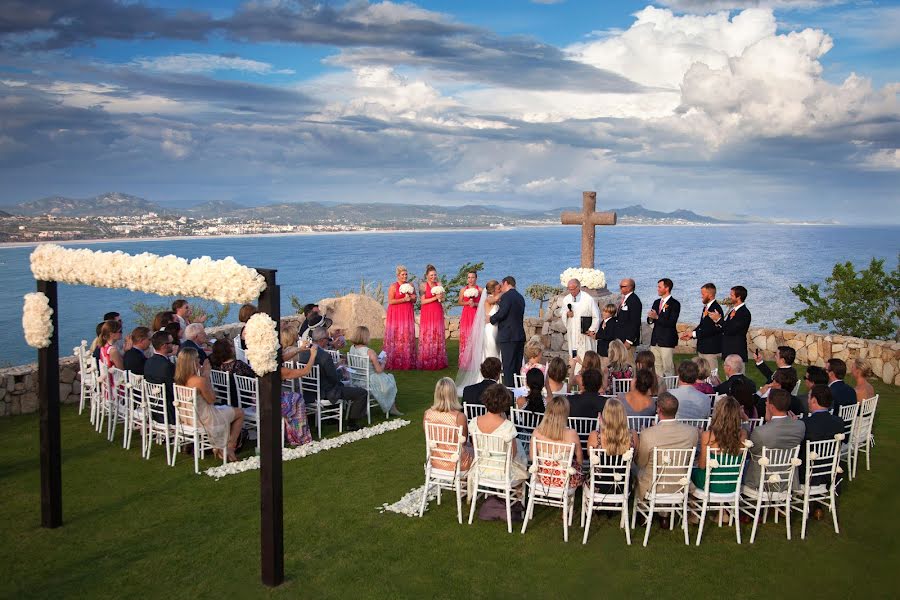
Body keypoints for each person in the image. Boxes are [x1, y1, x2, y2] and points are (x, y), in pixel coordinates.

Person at [174, 347, 243, 462]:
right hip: (205, 419)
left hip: (188, 418)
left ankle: (226, 448)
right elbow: (212, 399)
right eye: (197, 359)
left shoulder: (179, 379)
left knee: (227, 409)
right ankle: (230, 447)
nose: (199, 360)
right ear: (193, 362)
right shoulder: (199, 380)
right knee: (240, 412)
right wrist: (206, 376)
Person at [302, 328, 369, 430]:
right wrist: (341, 372)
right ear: (322, 340)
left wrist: (336, 366)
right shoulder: (325, 356)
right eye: (328, 339)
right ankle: (352, 423)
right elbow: (334, 379)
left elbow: (321, 371)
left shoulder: (304, 353)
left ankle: (332, 416)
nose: (329, 341)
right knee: (362, 392)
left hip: (309, 391)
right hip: (326, 392)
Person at [635, 392, 699, 498]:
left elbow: (641, 462)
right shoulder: (692, 432)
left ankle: (643, 506)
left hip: (653, 486)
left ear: (658, 410)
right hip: (680, 485)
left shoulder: (647, 434)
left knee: (636, 469)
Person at [744, 389, 806, 491]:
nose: (766, 404)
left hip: (761, 481)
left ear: (772, 407)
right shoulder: (800, 426)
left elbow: (751, 452)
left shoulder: (760, 431)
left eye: (767, 402)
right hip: (787, 479)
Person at [468, 383, 528, 484]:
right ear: (504, 404)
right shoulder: (508, 426)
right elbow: (512, 454)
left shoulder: (474, 421)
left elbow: (476, 447)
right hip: (502, 472)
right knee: (520, 452)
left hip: (481, 468)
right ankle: (517, 493)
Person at [691, 396, 747, 493]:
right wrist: (745, 419)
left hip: (709, 485)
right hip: (732, 485)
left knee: (690, 473)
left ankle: (691, 502)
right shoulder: (743, 434)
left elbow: (702, 465)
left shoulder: (708, 435)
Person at [586, 398, 639, 493]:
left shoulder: (595, 436)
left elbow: (591, 458)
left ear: (604, 415)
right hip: (623, 486)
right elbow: (634, 458)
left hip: (598, 485)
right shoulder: (632, 435)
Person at [531, 395, 584, 489]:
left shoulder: (537, 432)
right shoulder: (572, 434)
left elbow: (532, 458)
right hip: (564, 481)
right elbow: (580, 460)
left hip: (542, 478)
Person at [348, 325, 402, 416]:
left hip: (357, 379)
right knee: (390, 380)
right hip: (370, 380)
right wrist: (384, 361)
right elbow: (379, 370)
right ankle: (392, 408)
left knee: (387, 379)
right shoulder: (369, 351)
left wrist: (376, 360)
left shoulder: (352, 348)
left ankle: (390, 407)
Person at [424, 378, 473, 471]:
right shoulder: (459, 416)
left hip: (435, 461)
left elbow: (429, 437)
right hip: (456, 462)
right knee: (477, 453)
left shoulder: (427, 414)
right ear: (453, 394)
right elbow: (464, 441)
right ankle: (467, 482)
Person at [801, 385, 845, 483]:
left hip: (808, 474)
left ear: (814, 400)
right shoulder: (839, 422)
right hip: (830, 471)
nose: (807, 401)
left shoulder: (804, 424)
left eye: (809, 397)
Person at [490, 276, 526, 387]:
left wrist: (491, 319)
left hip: (508, 336)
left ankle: (509, 391)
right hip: (519, 335)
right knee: (517, 366)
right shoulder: (520, 297)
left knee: (508, 366)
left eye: (502, 285)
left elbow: (502, 313)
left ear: (506, 283)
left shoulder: (506, 297)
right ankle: (519, 390)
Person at [557, 278, 600, 370]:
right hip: (573, 335)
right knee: (574, 356)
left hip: (585, 335)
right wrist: (567, 314)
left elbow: (596, 316)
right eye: (569, 289)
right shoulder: (567, 299)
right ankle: (575, 376)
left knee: (586, 355)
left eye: (573, 288)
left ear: (579, 287)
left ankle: (588, 374)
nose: (571, 291)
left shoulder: (588, 299)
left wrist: (592, 329)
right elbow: (562, 312)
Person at [680, 283, 723, 368]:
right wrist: (691, 334)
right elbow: (703, 324)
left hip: (710, 348)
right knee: (702, 374)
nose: (701, 296)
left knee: (712, 375)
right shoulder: (706, 307)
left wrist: (693, 334)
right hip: (703, 347)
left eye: (703, 294)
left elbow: (712, 329)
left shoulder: (715, 309)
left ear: (710, 294)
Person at [384, 265, 417, 370]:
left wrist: (411, 297)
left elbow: (415, 299)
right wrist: (403, 300)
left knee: (406, 334)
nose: (405, 276)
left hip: (407, 312)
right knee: (397, 335)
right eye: (403, 274)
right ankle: (395, 359)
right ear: (398, 276)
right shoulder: (393, 286)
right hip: (396, 314)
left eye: (406, 274)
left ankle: (407, 360)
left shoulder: (411, 285)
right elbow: (390, 301)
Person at [208, 338, 257, 407]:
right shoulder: (238, 365)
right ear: (228, 350)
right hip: (244, 401)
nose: (234, 348)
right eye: (232, 346)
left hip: (226, 400)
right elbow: (254, 377)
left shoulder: (216, 367)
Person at [647, 278, 680, 376]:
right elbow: (650, 319)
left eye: (659, 287)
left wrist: (657, 317)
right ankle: (659, 388)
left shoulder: (675, 304)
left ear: (667, 288)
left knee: (668, 367)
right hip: (655, 339)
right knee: (657, 367)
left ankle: (670, 389)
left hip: (667, 340)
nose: (657, 289)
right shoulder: (656, 302)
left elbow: (671, 322)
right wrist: (651, 318)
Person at [417, 264, 448, 370]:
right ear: (427, 276)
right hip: (427, 312)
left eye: (435, 275)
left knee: (437, 334)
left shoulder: (439, 284)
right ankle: (426, 360)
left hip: (437, 311)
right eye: (431, 275)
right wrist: (435, 297)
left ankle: (438, 359)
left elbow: (443, 299)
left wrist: (441, 297)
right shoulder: (423, 285)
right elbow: (423, 301)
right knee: (427, 334)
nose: (433, 277)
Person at [710, 285, 751, 362]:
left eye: (732, 295)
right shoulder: (733, 311)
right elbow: (726, 327)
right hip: (728, 351)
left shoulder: (744, 313)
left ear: (738, 297)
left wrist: (719, 319)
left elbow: (731, 329)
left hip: (736, 352)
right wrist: (717, 321)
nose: (730, 297)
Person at [144, 330, 177, 424]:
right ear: (164, 346)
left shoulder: (149, 361)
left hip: (155, 407)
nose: (173, 345)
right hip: (169, 411)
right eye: (171, 343)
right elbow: (173, 390)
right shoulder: (167, 365)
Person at [457, 271, 482, 368]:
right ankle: (465, 361)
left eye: (472, 277)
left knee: (476, 336)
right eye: (469, 277)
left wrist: (475, 304)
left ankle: (476, 361)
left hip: (476, 314)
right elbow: (459, 302)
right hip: (466, 314)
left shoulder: (480, 290)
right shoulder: (463, 289)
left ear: (476, 278)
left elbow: (484, 304)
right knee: (466, 336)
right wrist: (467, 303)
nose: (470, 279)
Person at [614, 278, 642, 352]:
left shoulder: (634, 301)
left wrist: (629, 340)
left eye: (622, 286)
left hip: (627, 341)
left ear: (630, 287)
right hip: (621, 338)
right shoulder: (626, 299)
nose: (620, 288)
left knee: (629, 362)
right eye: (620, 286)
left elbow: (635, 322)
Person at [596, 303, 617, 374]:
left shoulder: (612, 322)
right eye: (603, 311)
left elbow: (610, 336)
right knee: (601, 366)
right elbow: (599, 333)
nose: (603, 313)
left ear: (611, 313)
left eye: (606, 312)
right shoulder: (603, 322)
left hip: (607, 349)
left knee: (606, 367)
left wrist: (600, 333)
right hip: (601, 349)